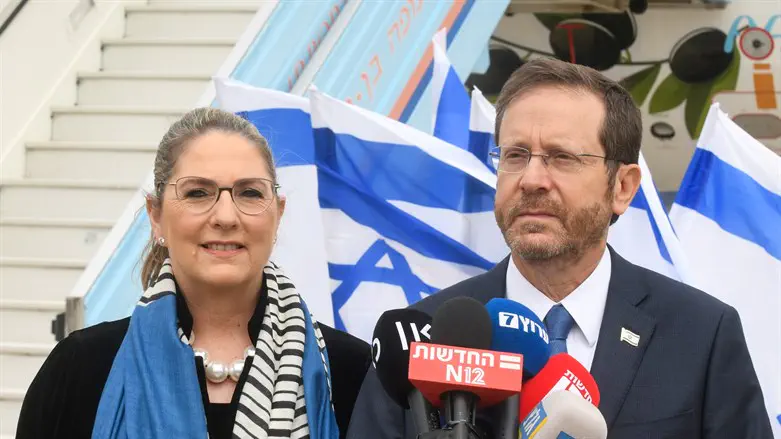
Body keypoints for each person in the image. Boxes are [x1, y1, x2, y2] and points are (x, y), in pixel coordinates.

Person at [346, 58, 773, 438]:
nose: (531, 179)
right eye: (515, 155)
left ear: (622, 187)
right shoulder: (421, 340)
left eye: (561, 157)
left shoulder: (702, 334)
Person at [17, 108, 372, 439]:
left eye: (249, 193)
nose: (226, 216)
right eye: (198, 193)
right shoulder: (80, 370)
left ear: (277, 214)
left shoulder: (352, 374)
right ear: (155, 215)